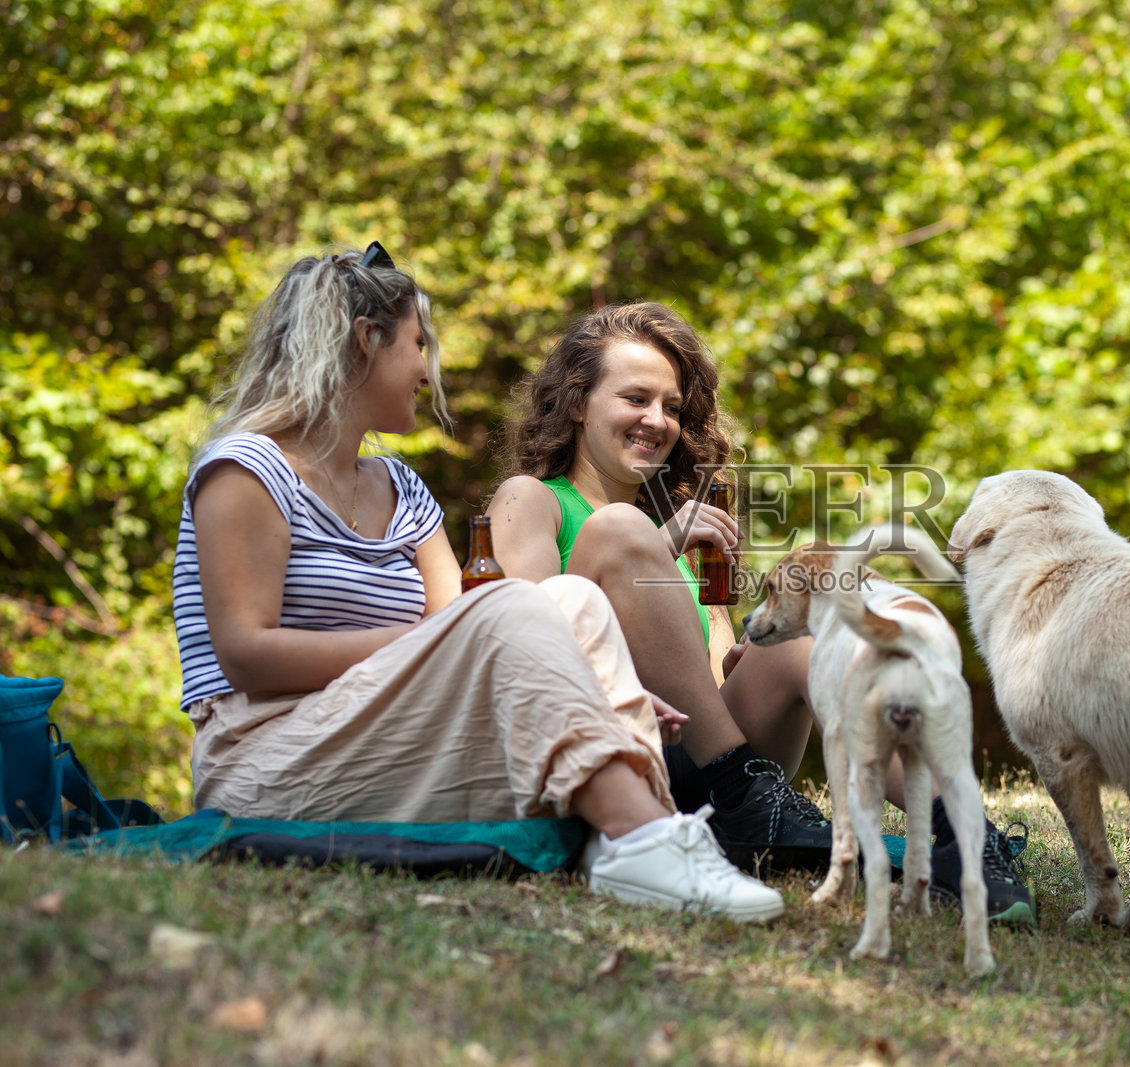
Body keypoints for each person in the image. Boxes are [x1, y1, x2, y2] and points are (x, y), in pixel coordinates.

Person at [171, 244, 782, 922]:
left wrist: (597, 681)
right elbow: (247, 655)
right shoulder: (247, 469)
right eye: (417, 344)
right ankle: (643, 838)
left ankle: (636, 838)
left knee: (565, 599)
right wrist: (444, 641)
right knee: (521, 607)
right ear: (364, 342)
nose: (429, 373)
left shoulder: (401, 489)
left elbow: (476, 633)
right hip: (265, 755)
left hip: (392, 737)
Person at [487, 301, 1035, 923]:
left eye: (671, 406)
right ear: (577, 401)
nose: (657, 420)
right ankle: (747, 798)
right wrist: (657, 544)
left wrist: (745, 659)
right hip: (610, 757)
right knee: (619, 529)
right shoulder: (534, 499)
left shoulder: (684, 530)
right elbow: (523, 632)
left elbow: (711, 680)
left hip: (705, 764)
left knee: (805, 638)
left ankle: (968, 836)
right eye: (635, 398)